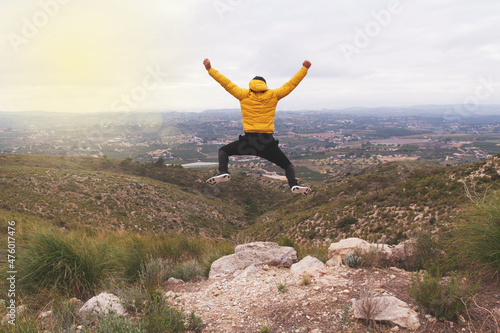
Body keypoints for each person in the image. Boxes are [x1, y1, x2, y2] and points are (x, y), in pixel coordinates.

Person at [203, 58, 312, 194]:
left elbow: (226, 83)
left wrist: (210, 69)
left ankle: (224, 172)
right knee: (287, 165)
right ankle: (293, 185)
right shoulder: (273, 95)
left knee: (223, 151)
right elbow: (291, 84)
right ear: (265, 85)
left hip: (248, 141)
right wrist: (304, 69)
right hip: (267, 142)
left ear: (251, 85)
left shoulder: (243, 94)